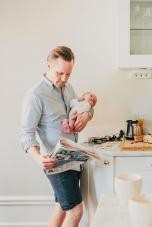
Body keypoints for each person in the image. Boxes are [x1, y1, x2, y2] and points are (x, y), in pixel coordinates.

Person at [20, 46, 94, 227]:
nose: (64, 79)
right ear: (48, 66)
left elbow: (82, 109)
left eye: (68, 74)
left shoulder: (69, 89)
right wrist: (38, 158)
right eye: (60, 73)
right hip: (56, 163)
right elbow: (25, 134)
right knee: (76, 211)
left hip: (73, 158)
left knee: (61, 207)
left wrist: (86, 115)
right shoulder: (35, 95)